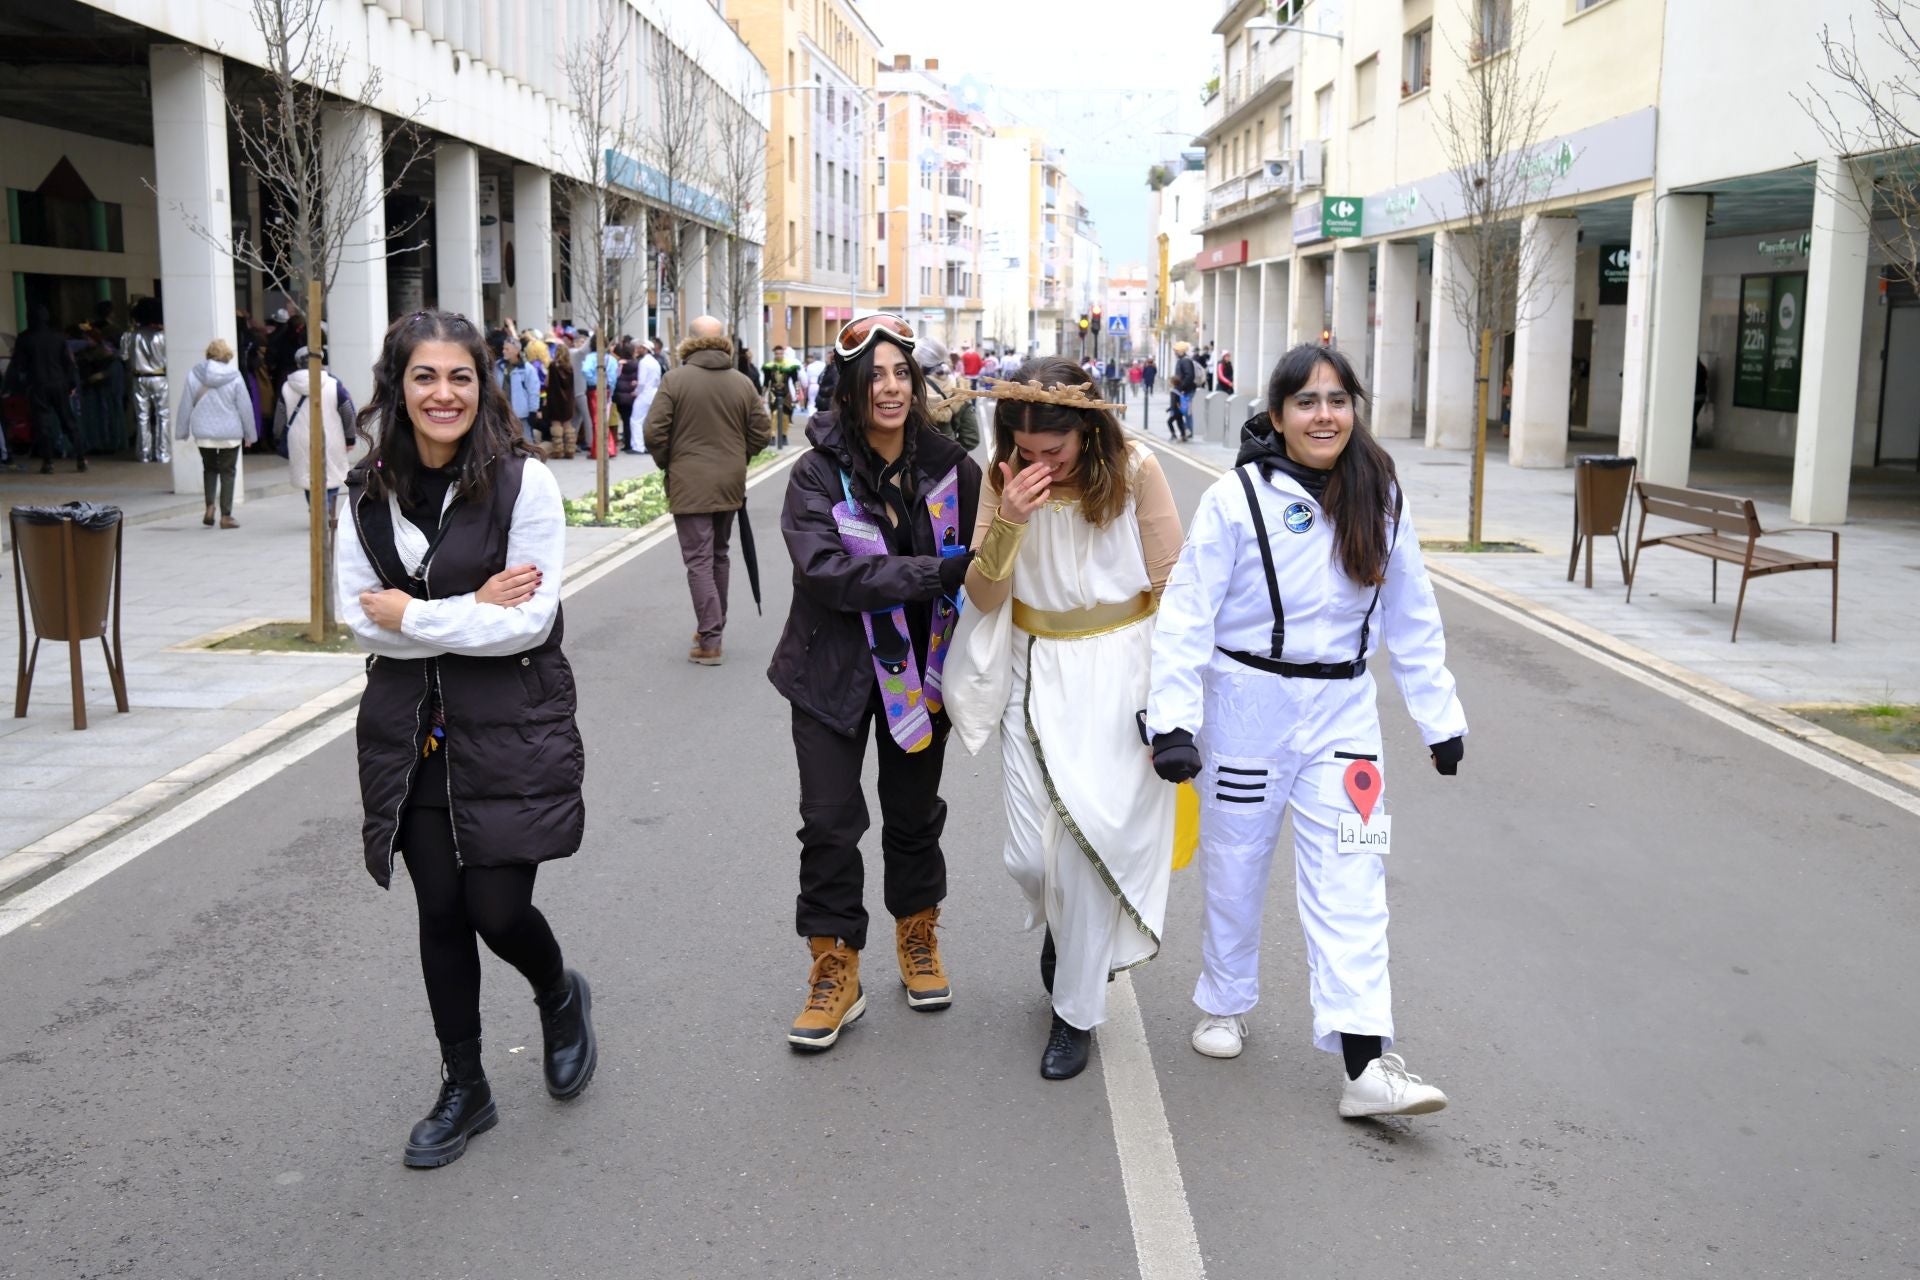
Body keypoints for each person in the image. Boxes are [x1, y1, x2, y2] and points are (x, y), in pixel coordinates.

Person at [1145, 343, 1467, 1119]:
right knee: (1236, 861)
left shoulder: (1381, 494)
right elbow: (1186, 612)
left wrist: (1440, 716)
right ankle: (1224, 1000)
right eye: (1307, 402)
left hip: (1344, 719)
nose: (1324, 415)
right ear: (1279, 414)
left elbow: (1412, 613)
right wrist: (1174, 721)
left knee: (1355, 878)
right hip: (1247, 706)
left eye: (1337, 400)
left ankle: (1366, 1062)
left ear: (1354, 408)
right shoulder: (1237, 497)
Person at [338, 308, 596, 1170]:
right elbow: (357, 620)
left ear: (482, 385)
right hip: (410, 732)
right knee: (440, 909)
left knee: (497, 909)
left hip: (508, 726)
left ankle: (559, 993)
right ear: (397, 387)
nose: (442, 393)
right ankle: (465, 1085)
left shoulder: (527, 486)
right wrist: (464, 609)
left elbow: (526, 624)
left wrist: (413, 613)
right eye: (424, 377)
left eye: (459, 377)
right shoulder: (364, 489)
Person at [942, 359, 1183, 1080]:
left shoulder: (1136, 471)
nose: (1039, 463)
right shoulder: (1000, 479)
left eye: (1055, 452)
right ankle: (1067, 933)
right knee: (1027, 854)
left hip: (1121, 671)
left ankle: (1074, 1015)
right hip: (1033, 664)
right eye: (1025, 449)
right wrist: (1010, 519)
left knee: (1087, 847)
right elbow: (984, 598)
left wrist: (1176, 703)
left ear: (1088, 431)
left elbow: (1175, 584)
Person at [766, 312, 981, 1052]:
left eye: (901, 373)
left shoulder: (955, 469)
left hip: (921, 675)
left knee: (914, 815)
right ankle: (835, 970)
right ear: (850, 389)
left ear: (916, 383)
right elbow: (828, 571)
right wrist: (934, 572)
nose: (890, 388)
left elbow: (987, 564)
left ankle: (917, 937)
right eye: (874, 376)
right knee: (828, 823)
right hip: (828, 674)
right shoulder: (817, 474)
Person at [643, 316, 773, 666]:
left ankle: (710, 637)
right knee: (718, 554)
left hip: (689, 480)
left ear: (691, 341)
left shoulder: (675, 380)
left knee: (698, 559)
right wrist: (739, 455)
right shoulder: (742, 383)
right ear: (723, 342)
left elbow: (654, 432)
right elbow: (762, 432)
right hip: (730, 480)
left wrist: (669, 461)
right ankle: (711, 628)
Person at [175, 338, 258, 528]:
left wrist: (182, 431)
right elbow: (245, 407)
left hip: (204, 433)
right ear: (227, 356)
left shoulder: (194, 375)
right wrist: (250, 434)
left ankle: (210, 506)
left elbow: (186, 404)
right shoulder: (235, 376)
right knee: (228, 472)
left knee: (210, 469)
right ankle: (226, 516)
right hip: (230, 433)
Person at [4, 305, 87, 473]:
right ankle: (81, 458)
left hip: (37, 385)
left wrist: (12, 387)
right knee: (68, 421)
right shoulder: (58, 337)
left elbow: (17, 366)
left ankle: (48, 462)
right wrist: (71, 385)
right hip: (59, 383)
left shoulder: (24, 338)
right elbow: (68, 364)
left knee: (43, 424)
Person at [277, 346, 356, 522]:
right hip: (331, 436)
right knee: (332, 473)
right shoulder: (334, 384)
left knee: (307, 475)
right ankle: (327, 506)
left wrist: (278, 438)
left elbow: (279, 417)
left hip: (298, 438)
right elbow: (348, 412)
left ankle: (315, 508)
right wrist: (350, 437)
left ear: (298, 363)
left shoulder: (286, 387)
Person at [120, 298, 169, 463]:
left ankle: (144, 454)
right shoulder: (163, 336)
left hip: (138, 378)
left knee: (142, 418)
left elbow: (124, 356)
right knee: (163, 416)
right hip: (160, 378)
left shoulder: (129, 335)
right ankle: (163, 454)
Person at [916, 336, 981, 452]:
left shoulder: (912, 390)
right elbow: (972, 438)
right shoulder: (959, 387)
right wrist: (952, 453)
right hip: (947, 462)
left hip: (915, 463)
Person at [493, 341, 541, 444]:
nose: (503, 351)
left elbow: (533, 391)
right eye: (503, 348)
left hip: (521, 414)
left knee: (525, 441)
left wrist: (533, 410)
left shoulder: (528, 369)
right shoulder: (497, 367)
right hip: (501, 412)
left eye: (507, 349)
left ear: (516, 351)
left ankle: (529, 459)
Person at [763, 345, 800, 449]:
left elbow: (795, 381)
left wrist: (797, 393)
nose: (779, 355)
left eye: (780, 353)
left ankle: (784, 436)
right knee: (774, 414)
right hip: (773, 393)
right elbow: (766, 382)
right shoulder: (769, 366)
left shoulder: (790, 366)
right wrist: (762, 395)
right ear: (774, 354)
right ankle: (773, 437)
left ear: (783, 354)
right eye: (777, 353)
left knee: (785, 416)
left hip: (786, 393)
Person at [543, 343, 577, 457]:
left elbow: (547, 383)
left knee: (556, 424)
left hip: (555, 399)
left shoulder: (553, 366)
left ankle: (558, 450)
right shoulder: (570, 367)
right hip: (568, 400)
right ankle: (570, 449)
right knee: (567, 424)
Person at [630, 337, 661, 455]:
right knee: (647, 421)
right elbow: (656, 380)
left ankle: (638, 446)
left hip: (644, 393)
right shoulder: (655, 362)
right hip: (653, 392)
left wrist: (636, 391)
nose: (638, 349)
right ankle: (647, 445)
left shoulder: (643, 362)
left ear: (644, 348)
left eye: (640, 347)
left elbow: (642, 382)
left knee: (636, 420)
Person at [1170, 342, 1197, 442]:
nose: (1175, 352)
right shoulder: (1181, 360)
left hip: (1186, 390)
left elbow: (1190, 376)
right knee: (1183, 411)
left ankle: (1188, 431)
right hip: (1183, 390)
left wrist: (1180, 388)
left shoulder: (1185, 361)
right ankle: (1185, 431)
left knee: (1186, 411)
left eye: (1176, 350)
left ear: (1181, 351)